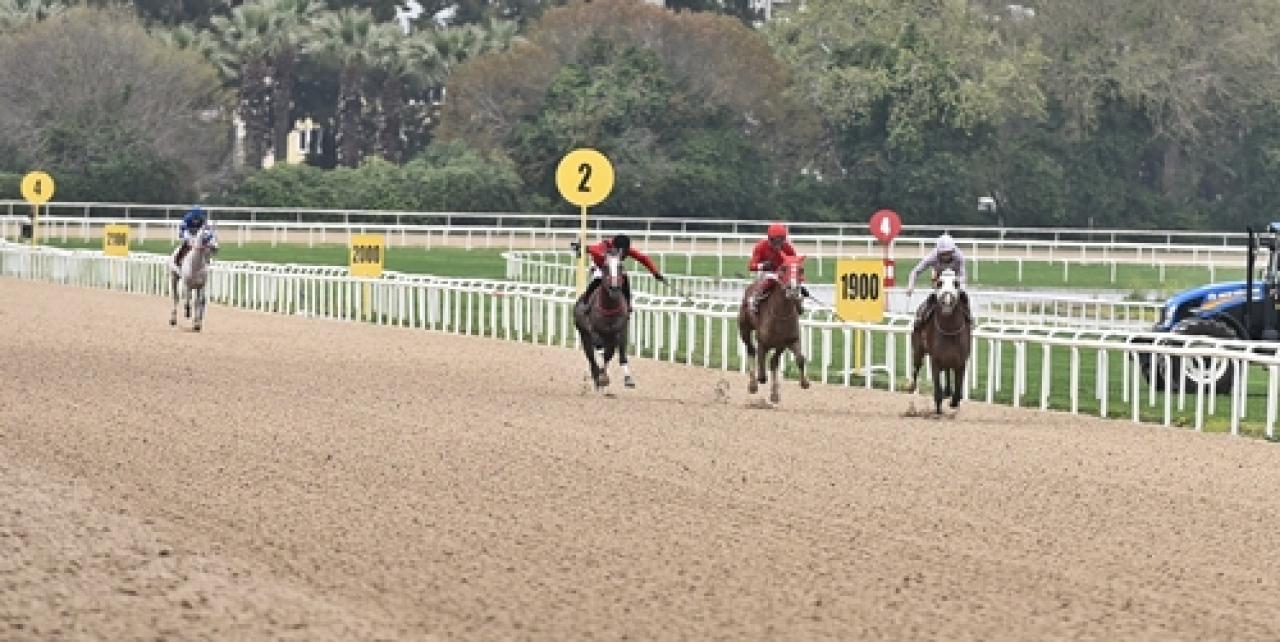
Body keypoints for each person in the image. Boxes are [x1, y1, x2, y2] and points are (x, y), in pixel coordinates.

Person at [576, 233, 666, 308]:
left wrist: (655, 273)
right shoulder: (604, 247)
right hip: (599, 266)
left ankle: (627, 304)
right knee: (598, 279)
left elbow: (643, 258)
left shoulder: (624, 248)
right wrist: (583, 248)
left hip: (614, 267)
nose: (622, 254)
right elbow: (593, 250)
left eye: (624, 252)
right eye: (619, 251)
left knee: (624, 278)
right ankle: (586, 302)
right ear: (614, 246)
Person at [907, 233, 972, 329]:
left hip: (955, 277)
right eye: (943, 254)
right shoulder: (931, 257)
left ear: (953, 251)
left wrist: (957, 282)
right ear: (938, 252)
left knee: (963, 295)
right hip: (938, 275)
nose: (946, 256)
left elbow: (963, 276)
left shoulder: (959, 256)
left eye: (948, 253)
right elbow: (915, 271)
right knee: (933, 297)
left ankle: (969, 318)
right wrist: (910, 287)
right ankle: (921, 318)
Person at [746, 222, 808, 314]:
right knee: (770, 279)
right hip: (766, 273)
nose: (778, 245)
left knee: (795, 282)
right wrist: (763, 265)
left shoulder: (787, 247)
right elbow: (751, 266)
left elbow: (795, 263)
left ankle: (799, 302)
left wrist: (800, 280)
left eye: (781, 241)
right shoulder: (760, 246)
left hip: (782, 273)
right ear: (770, 239)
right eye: (775, 241)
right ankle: (755, 299)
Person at [172, 205, 209, 271]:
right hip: (188, 232)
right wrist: (183, 234)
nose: (196, 216)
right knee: (186, 243)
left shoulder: (202, 218)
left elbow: (206, 227)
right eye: (195, 214)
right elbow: (183, 227)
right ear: (192, 213)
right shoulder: (188, 217)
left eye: (198, 214)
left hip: (197, 233)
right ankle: (179, 259)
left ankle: (207, 260)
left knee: (204, 245)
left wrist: (206, 236)